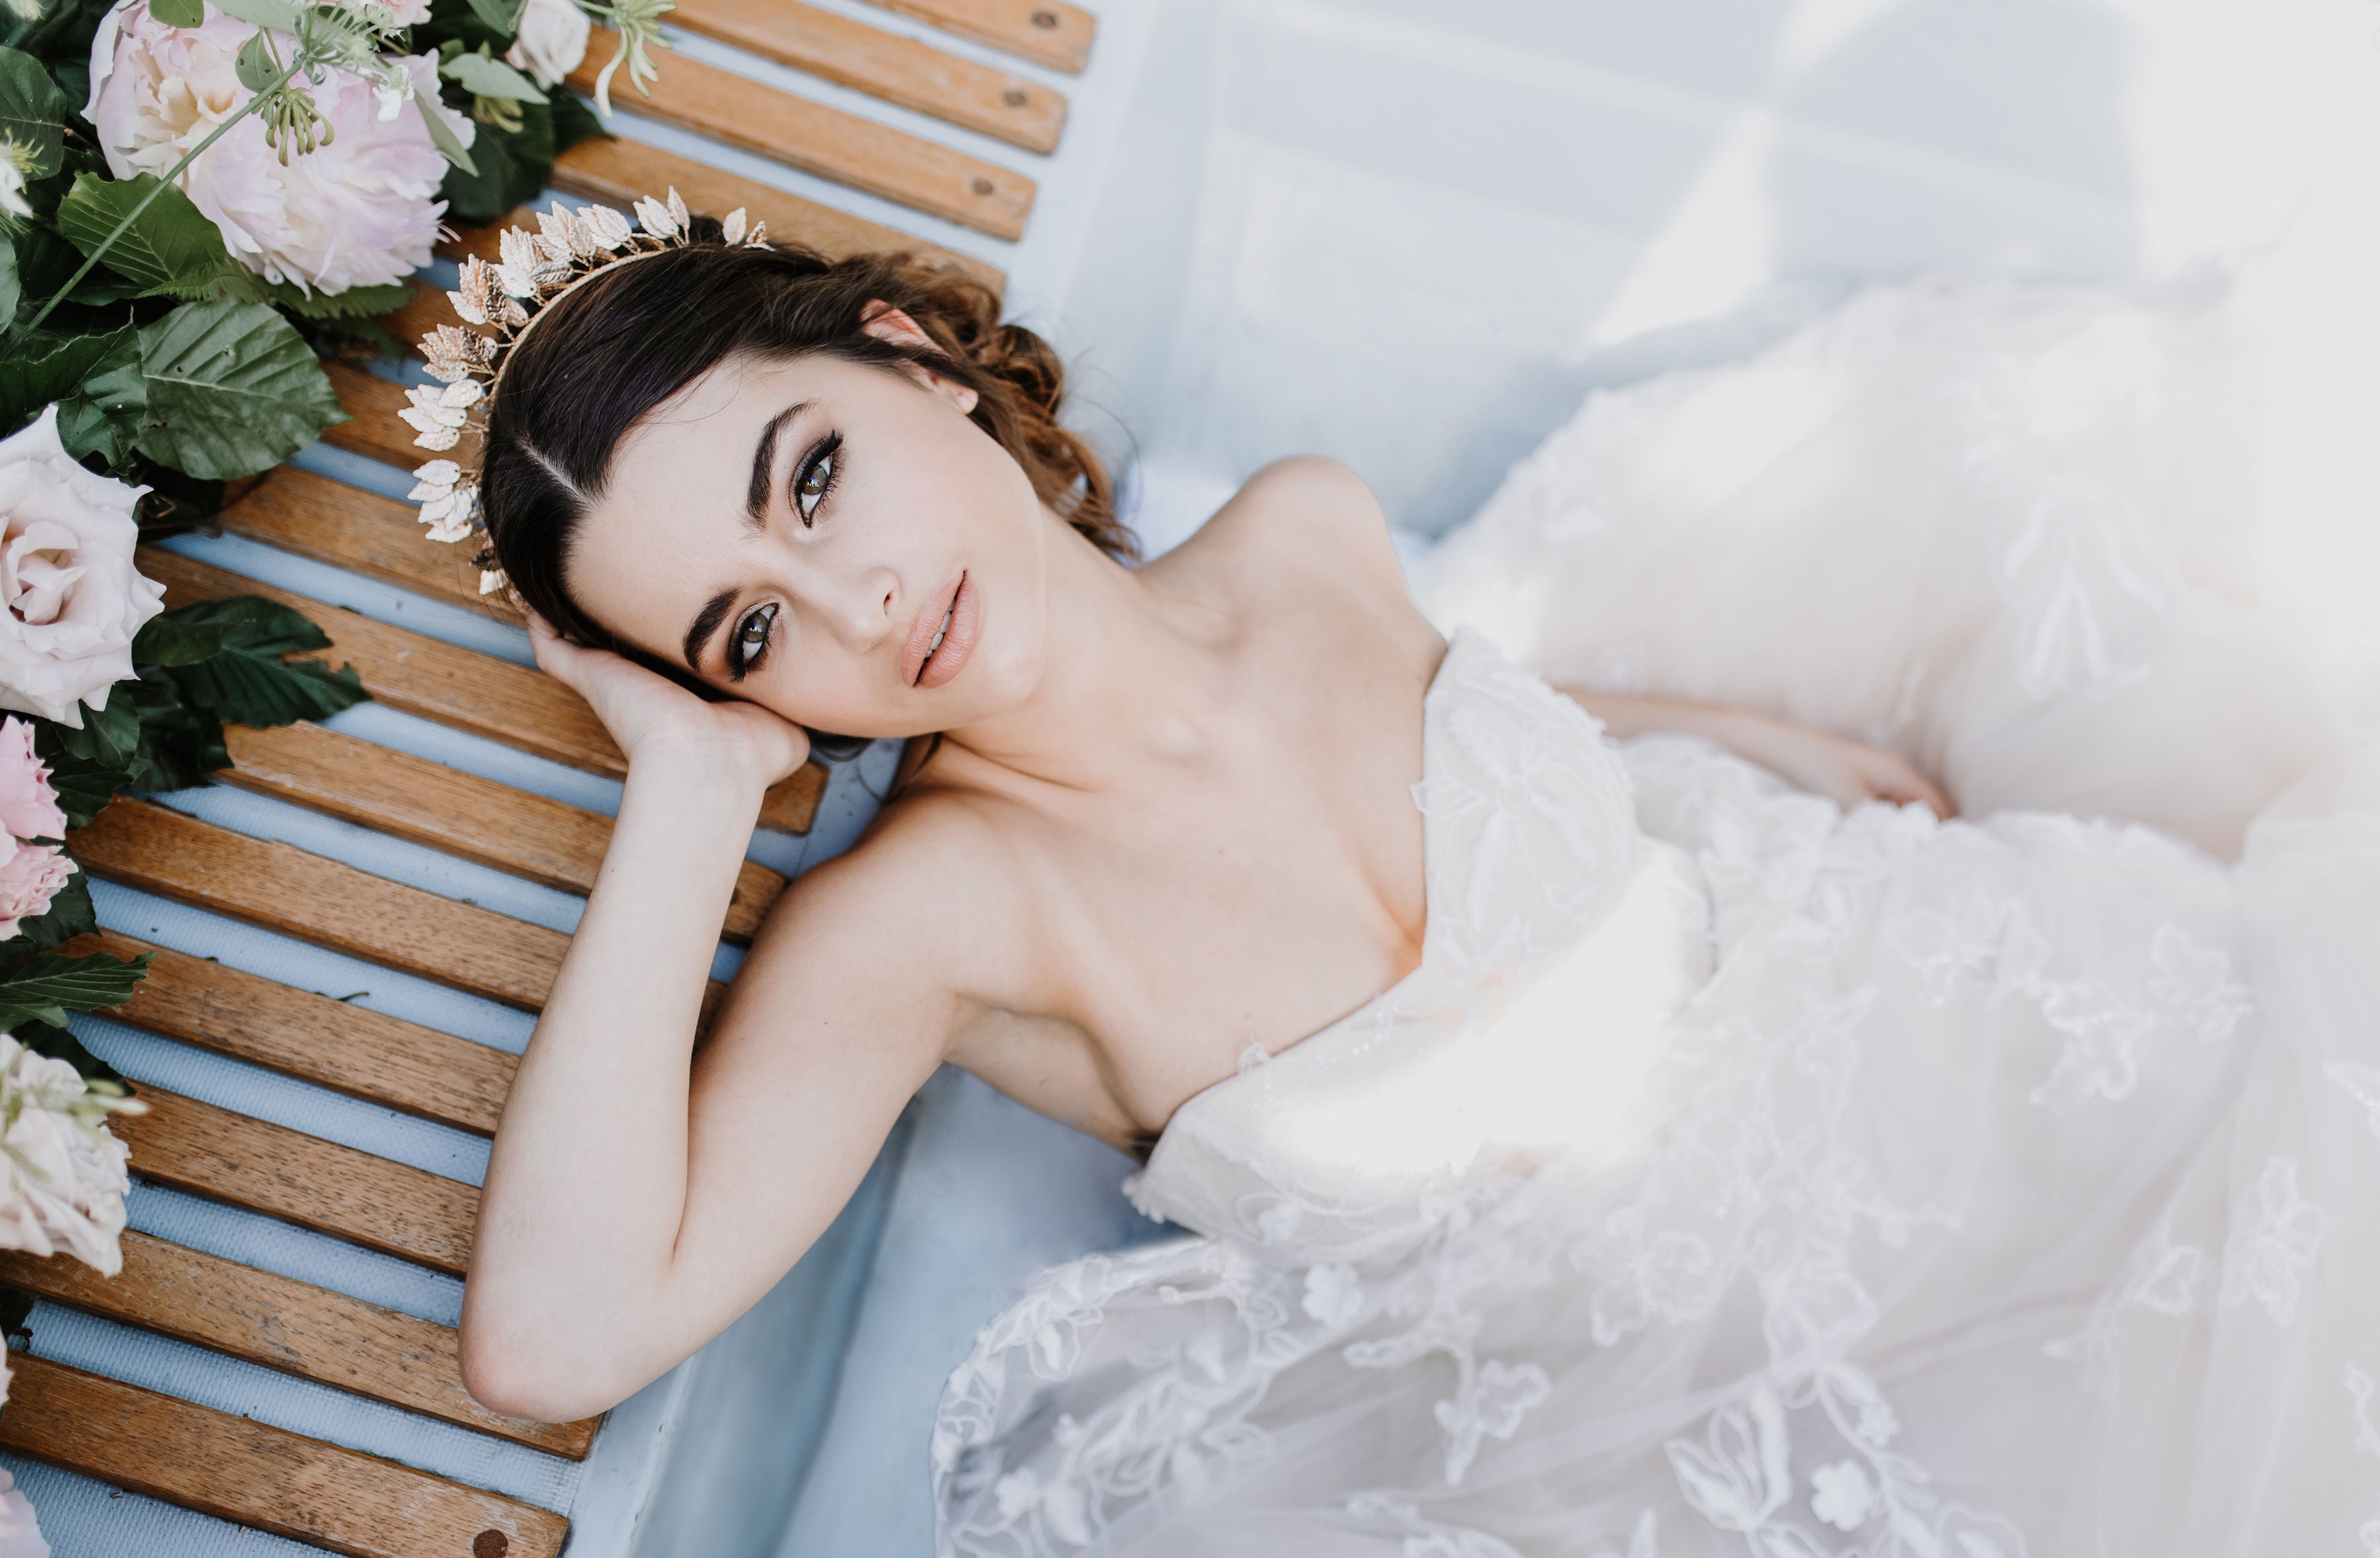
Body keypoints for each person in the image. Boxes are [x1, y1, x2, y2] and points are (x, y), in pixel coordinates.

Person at [448, 198, 2380, 1557]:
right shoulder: (933, 924)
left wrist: (1742, 739)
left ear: (910, 359)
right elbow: (551, 1344)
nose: (853, 602)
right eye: (751, 634)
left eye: (811, 481)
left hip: (1901, 1008)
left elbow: (1477, 711)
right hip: (1682, 1397)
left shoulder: (1302, 528)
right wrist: (693, 791)